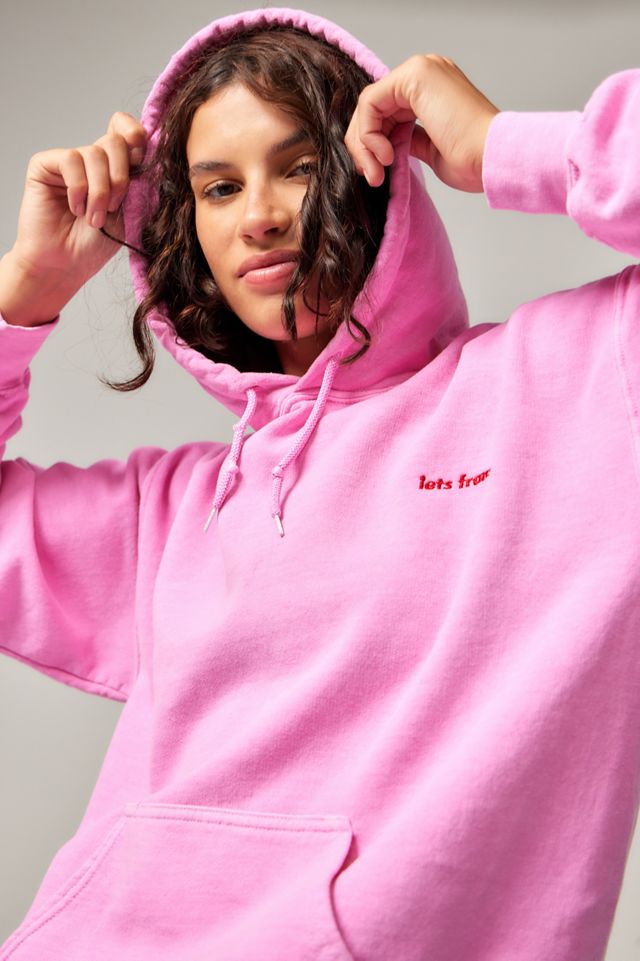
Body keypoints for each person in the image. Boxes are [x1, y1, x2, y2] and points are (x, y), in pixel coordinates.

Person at [1, 7, 639, 961]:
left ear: (373, 168)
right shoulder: (171, 518)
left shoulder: (577, 388)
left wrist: (505, 145)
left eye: (299, 166)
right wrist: (25, 294)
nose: (258, 214)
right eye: (219, 187)